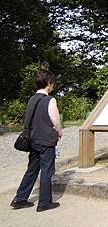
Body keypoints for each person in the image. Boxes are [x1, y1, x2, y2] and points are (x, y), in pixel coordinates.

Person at [11, 69, 63, 211]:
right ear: (48, 83)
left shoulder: (32, 99)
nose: (53, 86)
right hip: (46, 140)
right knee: (47, 170)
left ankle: (20, 199)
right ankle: (44, 202)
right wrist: (59, 132)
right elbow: (55, 121)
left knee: (32, 169)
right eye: (52, 84)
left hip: (33, 140)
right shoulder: (50, 100)